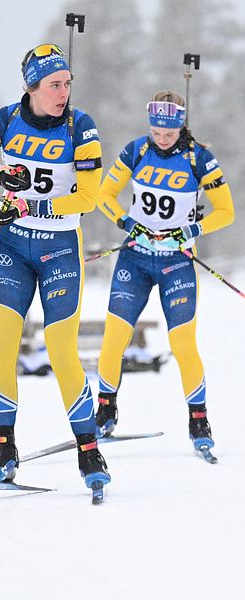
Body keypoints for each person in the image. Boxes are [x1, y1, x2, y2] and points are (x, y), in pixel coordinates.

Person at [0, 43, 111, 495]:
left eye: (67, 84)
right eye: (54, 85)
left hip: (60, 248)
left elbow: (89, 197)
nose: (63, 92)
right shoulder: (4, 120)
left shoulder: (81, 126)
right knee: (2, 349)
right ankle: (4, 450)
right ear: (32, 87)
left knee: (60, 348)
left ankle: (89, 449)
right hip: (11, 247)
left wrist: (32, 202)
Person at [95, 91, 234, 453]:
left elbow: (226, 211)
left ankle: (199, 420)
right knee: (114, 339)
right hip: (135, 259)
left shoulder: (199, 158)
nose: (161, 139)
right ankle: (105, 410)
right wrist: (126, 222)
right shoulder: (137, 150)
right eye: (156, 132)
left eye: (168, 134)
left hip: (177, 263)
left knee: (183, 343)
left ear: (181, 126)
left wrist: (190, 231)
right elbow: (103, 195)